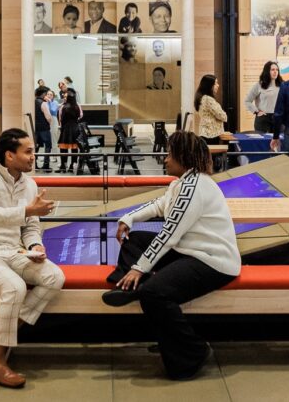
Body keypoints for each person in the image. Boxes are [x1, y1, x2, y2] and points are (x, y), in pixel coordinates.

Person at [101, 131, 240, 381]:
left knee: (154, 294)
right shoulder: (182, 183)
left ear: (182, 157)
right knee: (136, 239)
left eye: (169, 154)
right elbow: (159, 206)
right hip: (191, 251)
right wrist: (129, 218)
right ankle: (127, 286)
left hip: (213, 261)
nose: (165, 159)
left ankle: (194, 352)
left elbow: (169, 234)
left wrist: (140, 268)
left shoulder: (194, 187)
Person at [0, 128, 64, 388]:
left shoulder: (30, 185)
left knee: (54, 276)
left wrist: (35, 245)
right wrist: (27, 209)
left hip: (14, 251)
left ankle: (1, 329)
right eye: (28, 151)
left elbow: (30, 225)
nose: (33, 156)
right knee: (14, 287)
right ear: (9, 156)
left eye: (33, 151)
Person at [244, 61, 283, 133]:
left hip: (278, 119)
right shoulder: (259, 85)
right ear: (267, 71)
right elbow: (247, 101)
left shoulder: (282, 85)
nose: (275, 72)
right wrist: (256, 111)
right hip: (263, 120)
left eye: (277, 70)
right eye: (272, 70)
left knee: (279, 143)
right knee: (263, 143)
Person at [194, 74, 227, 144]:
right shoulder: (208, 99)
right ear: (209, 86)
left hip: (206, 133)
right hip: (211, 134)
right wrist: (224, 114)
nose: (218, 85)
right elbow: (222, 116)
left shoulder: (202, 97)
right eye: (215, 83)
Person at [57, 88, 82, 173]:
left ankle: (63, 166)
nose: (64, 97)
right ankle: (72, 165)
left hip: (66, 129)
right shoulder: (76, 106)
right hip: (75, 128)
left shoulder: (64, 107)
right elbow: (79, 116)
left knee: (63, 148)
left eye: (65, 96)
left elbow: (61, 119)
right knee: (74, 148)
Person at [34, 87, 53, 172]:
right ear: (43, 94)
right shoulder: (43, 103)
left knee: (36, 146)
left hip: (36, 127)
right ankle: (46, 164)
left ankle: (35, 164)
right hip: (44, 127)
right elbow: (48, 117)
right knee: (48, 146)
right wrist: (50, 123)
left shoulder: (33, 102)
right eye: (46, 93)